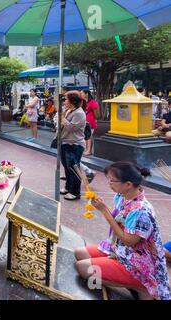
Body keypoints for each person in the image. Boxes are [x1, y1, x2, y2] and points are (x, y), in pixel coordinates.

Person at [74, 162, 171, 300]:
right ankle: (114, 278)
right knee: (80, 253)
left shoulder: (141, 211)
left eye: (112, 180)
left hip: (137, 261)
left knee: (84, 268)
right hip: (120, 249)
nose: (109, 183)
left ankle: (140, 285)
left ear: (128, 184)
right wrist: (103, 207)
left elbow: (128, 241)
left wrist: (104, 212)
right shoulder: (122, 196)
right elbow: (119, 221)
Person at [59, 91, 87, 201]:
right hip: (66, 142)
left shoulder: (79, 113)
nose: (64, 101)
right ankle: (68, 187)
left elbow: (72, 127)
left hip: (75, 144)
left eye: (66, 99)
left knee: (74, 168)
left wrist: (62, 118)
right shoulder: (69, 111)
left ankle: (75, 192)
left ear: (72, 101)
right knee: (67, 167)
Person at [82, 90, 99, 156]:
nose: (81, 94)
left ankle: (89, 150)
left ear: (86, 94)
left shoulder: (92, 102)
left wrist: (95, 119)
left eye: (82, 93)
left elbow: (96, 113)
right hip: (85, 121)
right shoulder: (84, 102)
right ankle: (87, 149)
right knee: (86, 135)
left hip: (90, 121)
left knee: (89, 136)